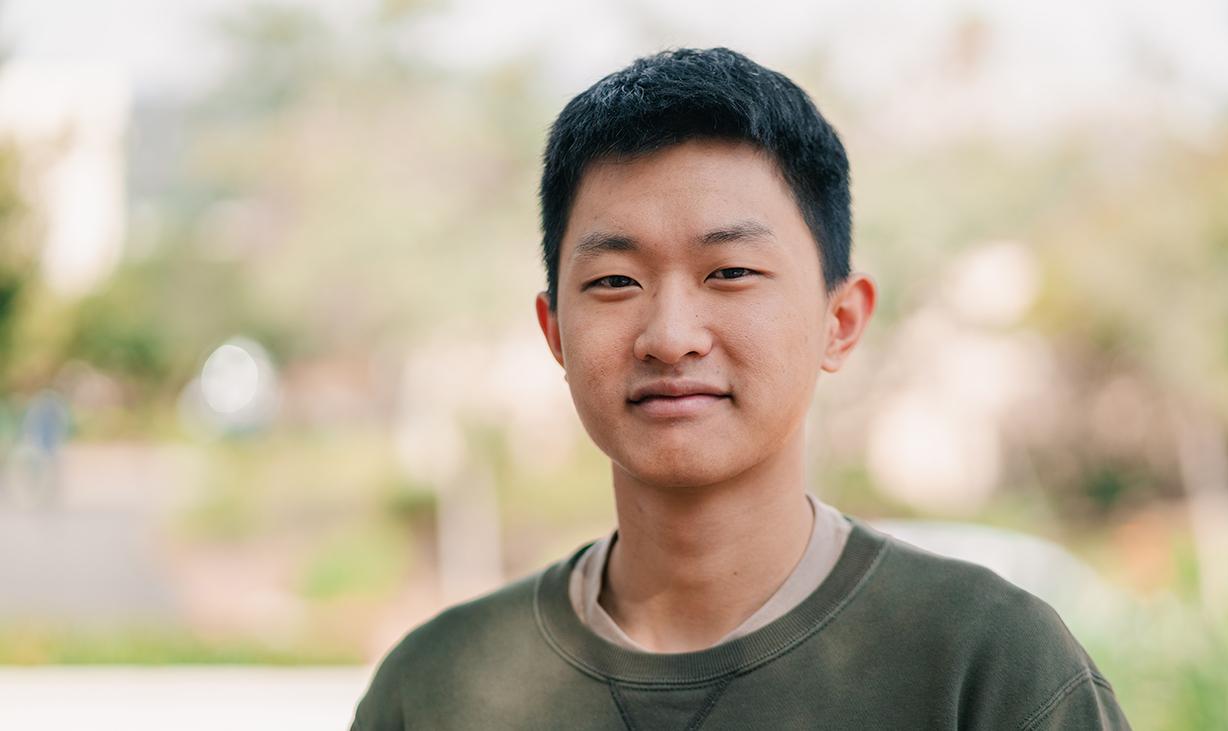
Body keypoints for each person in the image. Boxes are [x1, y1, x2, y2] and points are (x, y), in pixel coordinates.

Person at [351, 47, 1130, 730]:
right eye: (615, 279)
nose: (669, 335)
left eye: (730, 272)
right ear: (554, 331)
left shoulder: (988, 666)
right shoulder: (433, 688)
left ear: (841, 319)